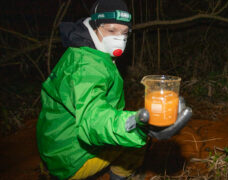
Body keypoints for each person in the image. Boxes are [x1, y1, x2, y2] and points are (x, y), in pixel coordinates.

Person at [36, 0, 192, 179]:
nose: (119, 39)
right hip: (70, 160)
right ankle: (120, 176)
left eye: (125, 33)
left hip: (56, 144)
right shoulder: (86, 66)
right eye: (111, 30)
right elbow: (92, 120)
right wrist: (136, 127)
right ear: (95, 26)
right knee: (137, 142)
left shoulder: (85, 51)